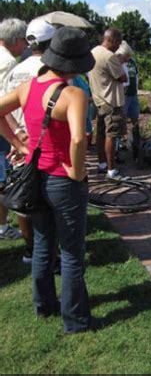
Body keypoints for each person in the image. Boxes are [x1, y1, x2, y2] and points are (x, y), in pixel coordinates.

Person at [0, 26, 96, 333]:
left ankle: (44, 306)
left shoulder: (28, 87)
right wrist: (77, 171)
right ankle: (76, 320)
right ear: (76, 63)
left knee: (42, 245)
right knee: (71, 252)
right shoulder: (74, 94)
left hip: (34, 176)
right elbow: (79, 139)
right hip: (62, 180)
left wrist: (18, 144)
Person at [4, 18, 56, 263]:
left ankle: (30, 250)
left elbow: (5, 106)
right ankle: (49, 254)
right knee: (47, 202)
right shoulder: (48, 71)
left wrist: (17, 138)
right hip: (43, 145)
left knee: (24, 198)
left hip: (23, 144)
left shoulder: (16, 68)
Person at [0, 18, 27, 241]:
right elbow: (3, 102)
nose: (26, 46)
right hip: (2, 130)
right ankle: (4, 226)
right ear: (16, 40)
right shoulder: (8, 62)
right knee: (4, 179)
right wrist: (17, 134)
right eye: (24, 41)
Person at [88, 28, 127, 180]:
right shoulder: (109, 56)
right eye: (118, 43)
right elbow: (122, 77)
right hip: (111, 101)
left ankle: (102, 164)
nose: (118, 47)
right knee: (111, 135)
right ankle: (111, 171)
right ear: (113, 40)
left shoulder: (93, 52)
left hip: (99, 100)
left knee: (101, 134)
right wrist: (120, 61)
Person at [115, 40, 140, 160]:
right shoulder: (118, 62)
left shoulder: (132, 63)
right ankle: (119, 143)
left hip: (133, 94)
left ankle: (136, 140)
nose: (128, 58)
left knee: (135, 117)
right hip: (123, 96)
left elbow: (136, 76)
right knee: (121, 120)